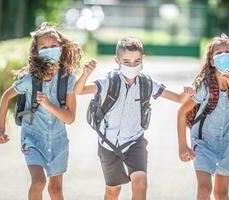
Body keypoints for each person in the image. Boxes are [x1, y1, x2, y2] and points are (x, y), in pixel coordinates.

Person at [75, 36, 194, 200]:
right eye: (126, 62)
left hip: (134, 141)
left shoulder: (147, 83)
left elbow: (179, 99)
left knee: (140, 182)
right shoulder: (109, 82)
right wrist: (85, 75)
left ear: (142, 59)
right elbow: (79, 91)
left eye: (137, 61)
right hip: (108, 143)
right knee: (113, 190)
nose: (132, 66)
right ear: (117, 60)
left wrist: (188, 93)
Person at [0, 22, 81, 200]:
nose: (49, 50)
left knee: (55, 190)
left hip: (59, 142)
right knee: (39, 182)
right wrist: (0, 128)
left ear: (61, 48)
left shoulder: (68, 79)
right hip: (32, 138)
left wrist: (49, 105)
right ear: (36, 51)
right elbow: (6, 97)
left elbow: (70, 118)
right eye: (44, 47)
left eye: (54, 46)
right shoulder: (29, 80)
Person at [177, 34, 229, 200]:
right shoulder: (205, 84)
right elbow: (182, 112)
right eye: (218, 53)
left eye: (228, 51)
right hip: (203, 142)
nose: (224, 55)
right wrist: (183, 145)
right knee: (204, 190)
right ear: (212, 61)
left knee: (221, 194)